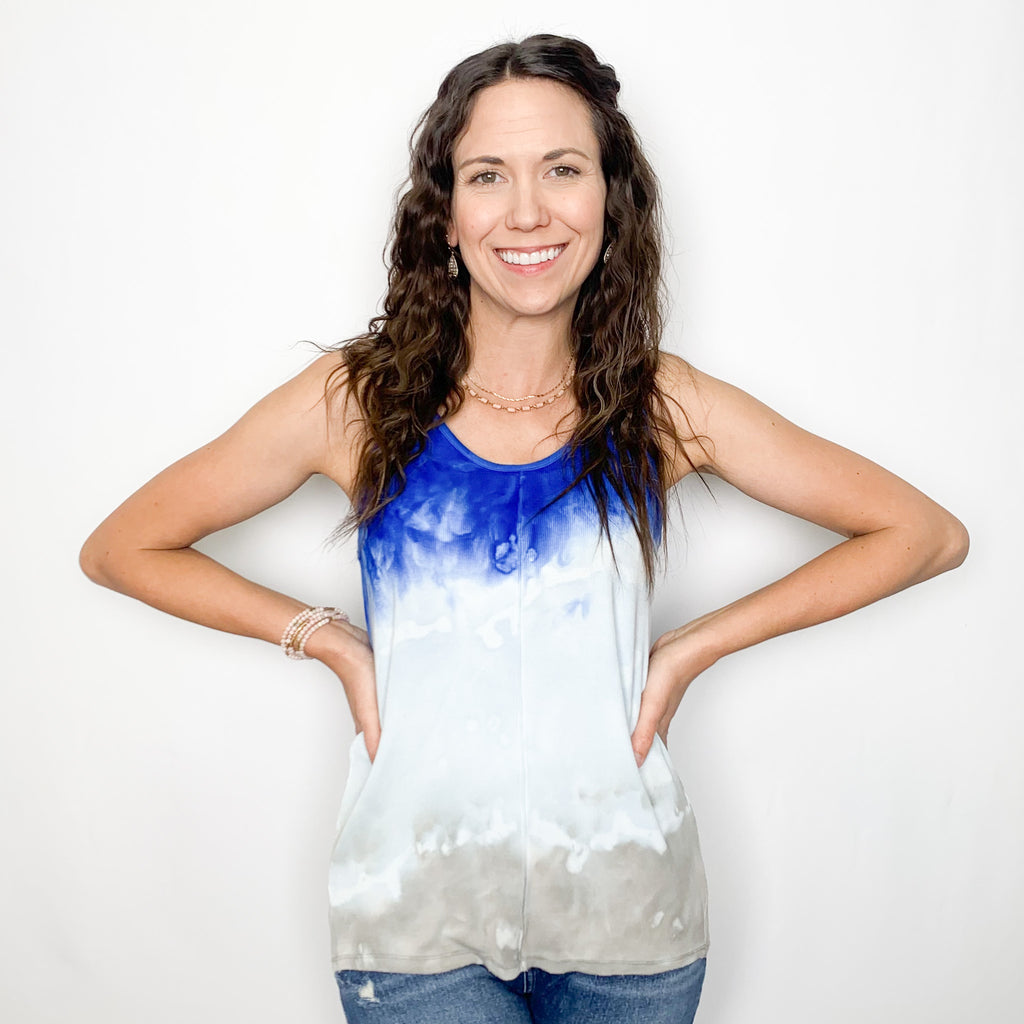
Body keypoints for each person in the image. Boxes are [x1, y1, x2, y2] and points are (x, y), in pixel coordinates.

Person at [79, 34, 968, 1024]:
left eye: (563, 169)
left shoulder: (661, 403)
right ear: (446, 214)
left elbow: (922, 532)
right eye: (488, 175)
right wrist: (327, 640)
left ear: (609, 200)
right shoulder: (356, 401)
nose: (528, 210)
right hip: (414, 926)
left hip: (628, 925)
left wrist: (691, 648)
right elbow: (123, 547)